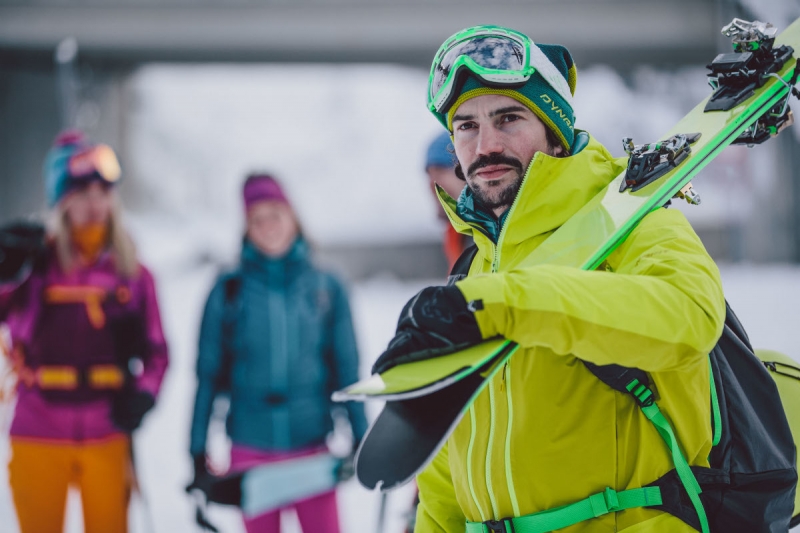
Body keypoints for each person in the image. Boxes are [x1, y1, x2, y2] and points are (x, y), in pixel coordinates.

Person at [371, 26, 726, 532]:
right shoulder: (472, 273)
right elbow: (450, 474)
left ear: (554, 130)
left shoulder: (632, 221)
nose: (485, 144)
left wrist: (502, 306)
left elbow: (690, 316)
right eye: (466, 126)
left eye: (508, 118)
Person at [0, 130, 169, 533]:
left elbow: (157, 352)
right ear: (62, 201)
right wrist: (5, 271)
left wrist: (144, 392)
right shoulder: (33, 266)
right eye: (82, 192)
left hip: (106, 430)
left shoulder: (133, 274)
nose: (95, 202)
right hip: (37, 427)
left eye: (103, 192)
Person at [187, 173, 368, 533]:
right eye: (257, 218)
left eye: (275, 214)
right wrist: (195, 451)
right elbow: (206, 375)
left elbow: (348, 368)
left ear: (292, 216)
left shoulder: (327, 286)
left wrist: (364, 435)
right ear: (246, 226)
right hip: (250, 452)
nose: (268, 226)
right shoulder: (228, 290)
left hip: (313, 449)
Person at [425, 132, 470, 269]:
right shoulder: (456, 235)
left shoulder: (493, 238)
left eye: (441, 171)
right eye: (429, 173)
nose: (432, 183)